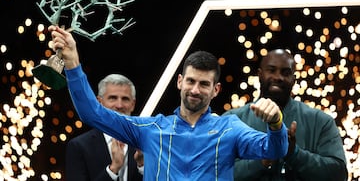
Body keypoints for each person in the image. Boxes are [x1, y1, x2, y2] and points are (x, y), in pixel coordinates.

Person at [48, 25, 289, 180]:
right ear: (180, 82)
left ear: (215, 90)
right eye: (191, 81)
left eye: (204, 84)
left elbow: (275, 149)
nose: (195, 90)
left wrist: (276, 123)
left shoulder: (230, 129)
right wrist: (72, 63)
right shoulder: (152, 129)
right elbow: (92, 114)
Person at [223, 49, 347, 181]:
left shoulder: (321, 121)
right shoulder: (231, 120)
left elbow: (339, 175)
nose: (278, 77)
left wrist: (293, 153)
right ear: (259, 74)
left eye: (285, 72)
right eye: (271, 70)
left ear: (294, 79)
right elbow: (212, 172)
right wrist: (263, 160)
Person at [65, 73, 143, 181]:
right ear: (99, 102)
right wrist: (113, 169)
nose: (119, 105)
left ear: (133, 104)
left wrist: (142, 166)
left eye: (125, 99)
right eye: (112, 98)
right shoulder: (79, 146)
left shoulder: (144, 143)